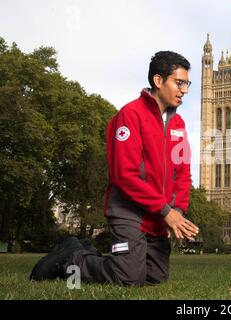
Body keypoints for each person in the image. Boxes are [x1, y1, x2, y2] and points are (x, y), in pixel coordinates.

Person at [30, 51, 199, 286]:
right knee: (128, 278)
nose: (185, 90)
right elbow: (124, 175)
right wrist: (165, 210)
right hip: (128, 212)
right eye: (179, 83)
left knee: (155, 278)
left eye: (187, 83)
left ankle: (88, 250)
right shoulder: (130, 115)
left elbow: (182, 172)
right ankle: (72, 258)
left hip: (158, 215)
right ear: (158, 80)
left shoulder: (178, 124)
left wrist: (177, 211)